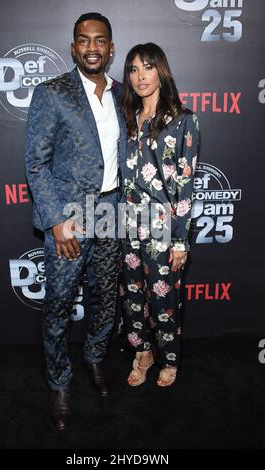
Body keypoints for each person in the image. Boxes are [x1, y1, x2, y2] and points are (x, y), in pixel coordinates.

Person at [25, 12, 126, 430]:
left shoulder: (123, 94)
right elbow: (36, 163)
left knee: (105, 295)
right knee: (60, 304)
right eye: (83, 40)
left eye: (99, 40)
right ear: (72, 47)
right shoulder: (53, 92)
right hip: (70, 216)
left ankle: (96, 358)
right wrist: (55, 221)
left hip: (112, 209)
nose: (91, 47)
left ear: (110, 48)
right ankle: (59, 381)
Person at [120, 43, 200, 387]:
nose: (140, 76)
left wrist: (181, 240)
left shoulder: (184, 120)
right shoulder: (127, 119)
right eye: (134, 69)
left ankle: (170, 359)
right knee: (133, 298)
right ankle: (143, 352)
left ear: (160, 71)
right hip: (126, 226)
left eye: (147, 67)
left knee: (164, 298)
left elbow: (185, 183)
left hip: (164, 230)